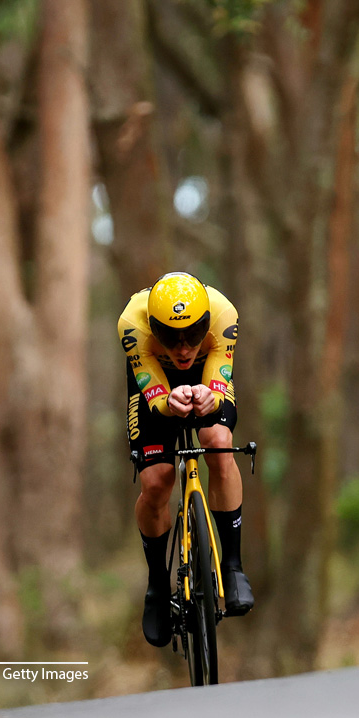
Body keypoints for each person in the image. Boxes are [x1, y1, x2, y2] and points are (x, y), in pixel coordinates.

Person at [119, 271, 253, 648]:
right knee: (157, 480)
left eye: (193, 334)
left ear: (207, 322)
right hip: (153, 374)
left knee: (218, 441)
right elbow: (154, 394)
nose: (182, 348)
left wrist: (210, 394)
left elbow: (218, 377)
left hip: (207, 371)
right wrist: (166, 402)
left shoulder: (225, 312)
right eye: (171, 336)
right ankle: (158, 584)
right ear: (152, 326)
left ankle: (233, 564)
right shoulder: (132, 322)